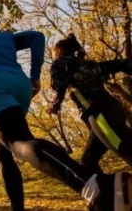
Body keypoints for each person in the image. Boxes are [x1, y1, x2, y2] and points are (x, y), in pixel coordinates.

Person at [0, 23, 132, 211]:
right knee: (2, 150)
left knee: (19, 142)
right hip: (20, 86)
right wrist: (35, 75)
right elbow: (37, 37)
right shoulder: (4, 36)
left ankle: (95, 186)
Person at [47, 33, 132, 175]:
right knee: (88, 161)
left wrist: (55, 105)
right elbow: (119, 64)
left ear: (59, 51)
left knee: (126, 149)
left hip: (100, 114)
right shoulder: (89, 64)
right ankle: (109, 194)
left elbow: (60, 86)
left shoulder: (59, 64)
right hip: (111, 109)